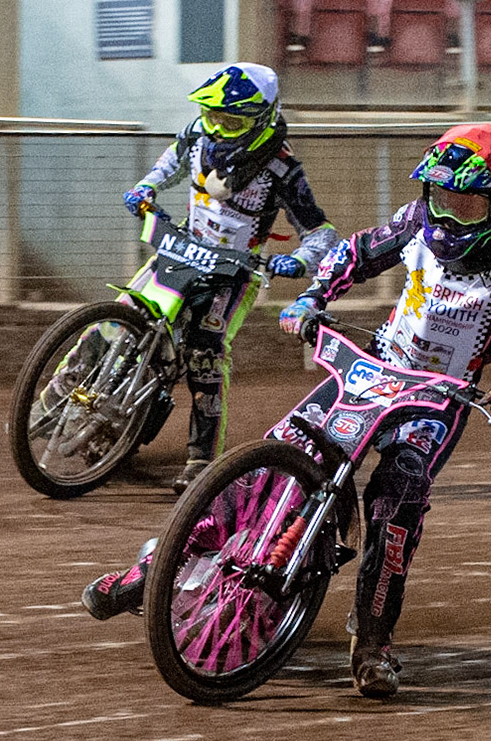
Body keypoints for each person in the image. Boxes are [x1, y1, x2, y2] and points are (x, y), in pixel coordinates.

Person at [275, 122, 491, 697]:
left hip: (439, 398)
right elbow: (354, 252)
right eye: (440, 198)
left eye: (467, 205)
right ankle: (162, 565)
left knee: (399, 492)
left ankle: (372, 638)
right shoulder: (417, 220)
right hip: (375, 367)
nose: (447, 217)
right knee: (284, 448)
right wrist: (312, 296)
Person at [79, 63, 336, 618]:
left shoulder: (283, 169)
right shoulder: (199, 134)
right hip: (183, 250)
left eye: (228, 117)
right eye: (211, 113)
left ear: (260, 119)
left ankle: (201, 461)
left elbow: (324, 234)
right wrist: (148, 184)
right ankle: (64, 397)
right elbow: (173, 158)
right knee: (122, 315)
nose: (216, 126)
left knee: (204, 354)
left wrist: (297, 260)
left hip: (236, 273)